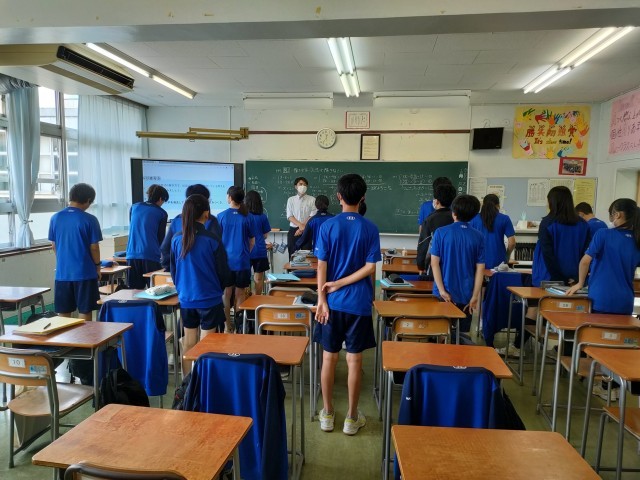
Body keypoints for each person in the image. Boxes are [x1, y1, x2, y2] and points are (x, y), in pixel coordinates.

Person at [315, 173, 380, 436]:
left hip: (331, 304)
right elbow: (370, 268)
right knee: (354, 361)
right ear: (363, 197)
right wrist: (347, 285)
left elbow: (321, 266)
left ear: (339, 196)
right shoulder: (370, 228)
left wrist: (322, 298)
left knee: (328, 358)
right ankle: (352, 418)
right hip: (359, 303)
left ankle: (327, 414)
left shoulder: (327, 226)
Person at [500, 186, 590, 358]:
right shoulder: (582, 225)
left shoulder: (548, 223)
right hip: (574, 279)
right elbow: (586, 254)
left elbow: (548, 254)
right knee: (570, 314)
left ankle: (517, 347)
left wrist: (560, 277)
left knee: (534, 309)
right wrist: (574, 278)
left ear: (552, 202)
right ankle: (566, 352)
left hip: (548, 277)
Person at [568, 198, 640, 400]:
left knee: (598, 342)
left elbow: (585, 261)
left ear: (617, 215)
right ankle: (612, 387)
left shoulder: (603, 234)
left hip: (601, 297)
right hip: (625, 300)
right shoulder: (637, 240)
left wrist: (580, 283)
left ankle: (599, 381)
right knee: (618, 345)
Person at [170, 194, 228, 374]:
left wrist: (182, 289)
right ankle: (203, 382)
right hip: (209, 298)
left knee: (188, 341)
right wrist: (218, 290)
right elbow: (223, 273)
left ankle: (187, 383)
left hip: (186, 298)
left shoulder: (176, 239)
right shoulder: (212, 240)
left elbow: (173, 270)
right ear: (206, 213)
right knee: (207, 344)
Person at [430, 194, 485, 336]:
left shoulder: (441, 233)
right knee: (463, 336)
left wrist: (442, 291)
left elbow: (434, 264)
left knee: (441, 333)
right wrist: (475, 296)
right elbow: (480, 269)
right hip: (467, 295)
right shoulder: (478, 236)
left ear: (453, 212)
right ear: (474, 215)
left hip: (443, 293)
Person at [48, 183, 102, 321]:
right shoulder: (90, 219)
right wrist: (97, 266)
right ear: (88, 200)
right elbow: (94, 247)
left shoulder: (55, 218)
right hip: (85, 273)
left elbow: (53, 245)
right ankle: (84, 336)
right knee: (85, 310)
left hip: (62, 274)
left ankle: (66, 337)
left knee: (64, 312)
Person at [160, 184, 222, 271]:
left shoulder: (177, 220)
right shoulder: (211, 221)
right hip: (205, 273)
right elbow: (218, 252)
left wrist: (172, 269)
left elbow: (165, 249)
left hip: (181, 274)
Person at [218, 186, 255, 332]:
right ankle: (240, 328)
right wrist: (244, 253)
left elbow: (217, 242)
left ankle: (227, 326)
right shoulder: (248, 216)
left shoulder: (221, 216)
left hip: (225, 263)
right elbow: (252, 241)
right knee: (240, 294)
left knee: (226, 294)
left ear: (230, 197)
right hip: (242, 261)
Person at [125, 184, 169, 289]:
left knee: (133, 291)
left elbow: (134, 227)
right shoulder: (162, 213)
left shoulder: (134, 207)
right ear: (160, 199)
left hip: (132, 254)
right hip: (151, 255)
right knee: (155, 290)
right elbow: (161, 238)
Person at [416, 183, 457, 275]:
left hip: (434, 265)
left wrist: (421, 265)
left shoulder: (430, 219)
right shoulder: (456, 218)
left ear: (436, 201)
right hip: (453, 264)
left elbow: (424, 243)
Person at [470, 194, 516, 269]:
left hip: (479, 260)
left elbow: (470, 241)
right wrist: (507, 256)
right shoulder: (505, 219)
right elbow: (512, 242)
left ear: (483, 205)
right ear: (498, 205)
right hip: (499, 260)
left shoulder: (474, 219)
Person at [245, 190, 271, 295]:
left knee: (245, 279)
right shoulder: (262, 216)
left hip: (246, 250)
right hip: (260, 250)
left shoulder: (243, 216)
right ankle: (257, 300)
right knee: (258, 279)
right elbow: (265, 235)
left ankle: (246, 301)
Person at [286, 176, 316, 256]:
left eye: (305, 185)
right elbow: (290, 216)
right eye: (301, 184)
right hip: (293, 230)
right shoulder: (291, 200)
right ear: (296, 186)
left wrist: (302, 228)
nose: (303, 186)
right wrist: (300, 225)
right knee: (292, 254)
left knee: (307, 255)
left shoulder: (312, 199)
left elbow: (312, 215)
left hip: (307, 229)